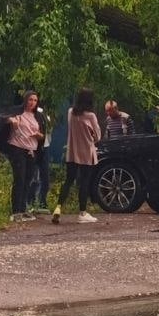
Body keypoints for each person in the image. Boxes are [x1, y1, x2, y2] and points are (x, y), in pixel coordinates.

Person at [54, 87, 102, 224]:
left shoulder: (71, 112)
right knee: (84, 182)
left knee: (68, 181)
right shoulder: (91, 116)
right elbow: (98, 136)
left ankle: (58, 208)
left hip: (72, 152)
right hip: (86, 153)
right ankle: (82, 213)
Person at [5, 91, 44, 222]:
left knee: (28, 180)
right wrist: (12, 120)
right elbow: (3, 118)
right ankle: (16, 211)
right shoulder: (17, 111)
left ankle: (23, 208)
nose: (32, 102)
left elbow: (43, 133)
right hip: (18, 148)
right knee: (19, 179)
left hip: (31, 150)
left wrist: (39, 136)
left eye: (35, 100)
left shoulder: (37, 116)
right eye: (30, 100)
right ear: (25, 100)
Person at [28, 102, 51, 210]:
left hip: (44, 147)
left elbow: (48, 130)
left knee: (44, 176)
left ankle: (42, 202)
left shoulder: (43, 113)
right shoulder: (27, 113)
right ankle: (30, 202)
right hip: (33, 147)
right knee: (33, 176)